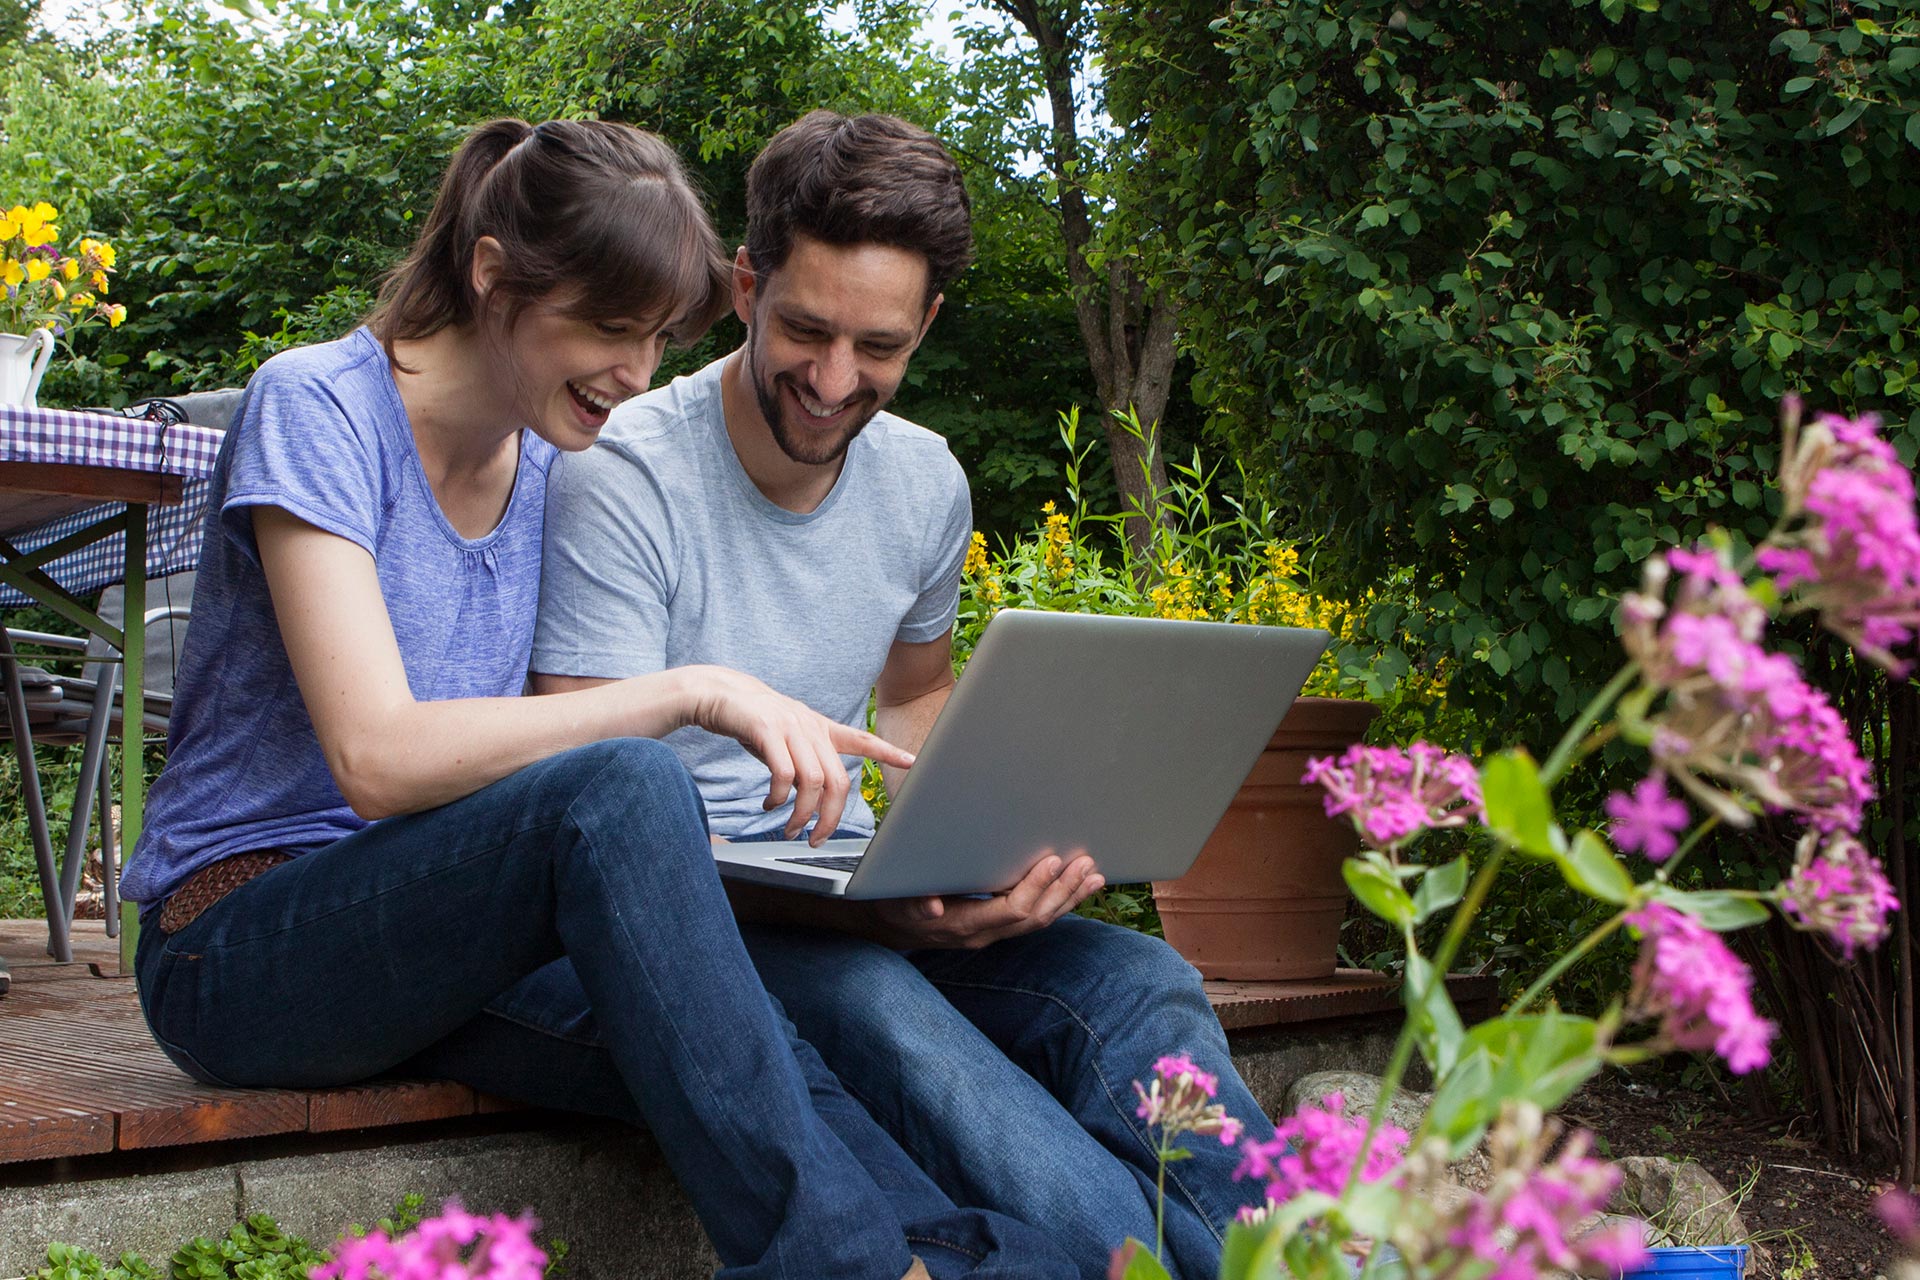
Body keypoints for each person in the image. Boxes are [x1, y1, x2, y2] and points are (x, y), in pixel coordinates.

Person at [119, 117, 1084, 1280]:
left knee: (740, 1035)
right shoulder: (320, 407)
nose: (637, 376)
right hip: (238, 943)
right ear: (493, 277)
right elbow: (374, 756)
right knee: (627, 786)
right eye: (610, 329)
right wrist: (693, 689)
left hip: (440, 930)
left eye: (659, 338)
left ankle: (966, 1264)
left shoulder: (545, 461)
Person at [532, 110, 1273, 1280]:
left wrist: (969, 834)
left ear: (926, 323)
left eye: (877, 346)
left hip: (866, 892)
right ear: (743, 286)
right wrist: (866, 912)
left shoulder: (925, 481)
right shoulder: (623, 473)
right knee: (905, 1031)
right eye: (806, 330)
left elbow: (916, 695)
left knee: (1143, 981)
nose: (834, 382)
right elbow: (574, 798)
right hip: (709, 929)